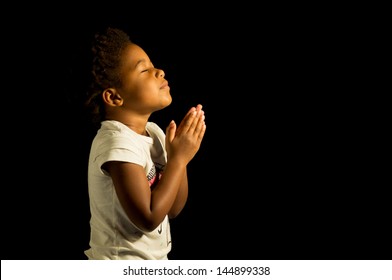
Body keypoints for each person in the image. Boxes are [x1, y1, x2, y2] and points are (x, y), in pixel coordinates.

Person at [83, 27, 206, 260]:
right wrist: (178, 159)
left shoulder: (154, 133)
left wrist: (180, 157)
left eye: (153, 65)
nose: (159, 71)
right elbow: (149, 217)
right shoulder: (117, 143)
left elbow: (173, 208)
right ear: (114, 97)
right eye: (145, 69)